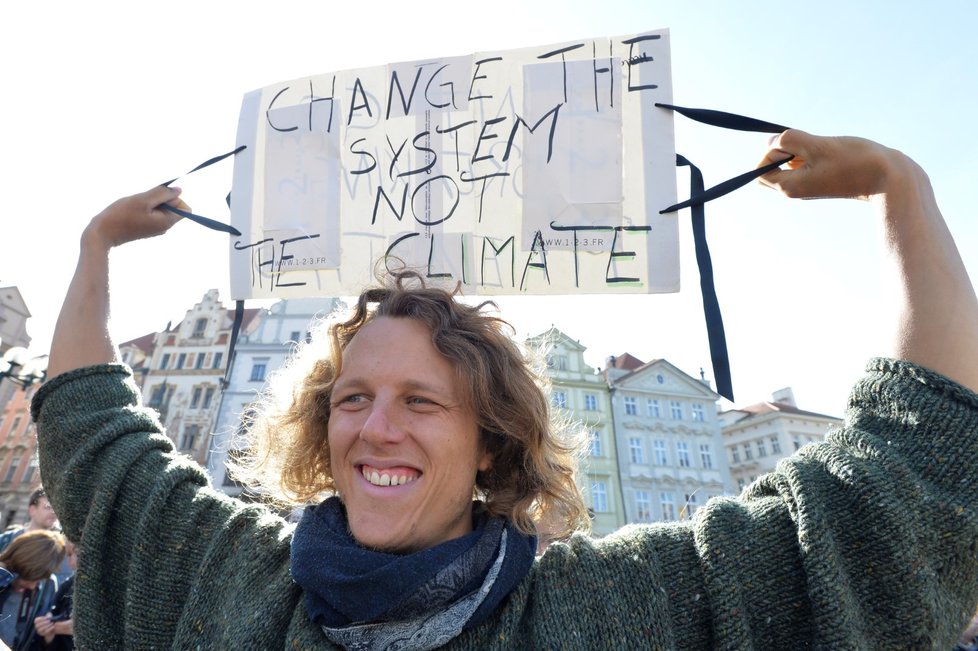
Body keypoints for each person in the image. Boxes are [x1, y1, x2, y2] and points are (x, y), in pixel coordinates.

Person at [31, 129, 978, 649]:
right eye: (352, 397)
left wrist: (902, 190)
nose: (376, 428)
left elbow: (900, 488)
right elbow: (98, 440)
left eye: (423, 400)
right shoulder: (227, 572)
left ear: (492, 441)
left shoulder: (614, 607)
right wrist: (95, 248)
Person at [0, 531, 65, 651]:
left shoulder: (48, 585)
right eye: (29, 579)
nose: (32, 586)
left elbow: (36, 639)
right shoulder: (3, 574)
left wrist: (48, 636)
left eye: (38, 580)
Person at [29, 539, 76, 651]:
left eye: (78, 554)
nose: (71, 564)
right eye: (68, 556)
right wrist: (48, 634)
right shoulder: (67, 587)